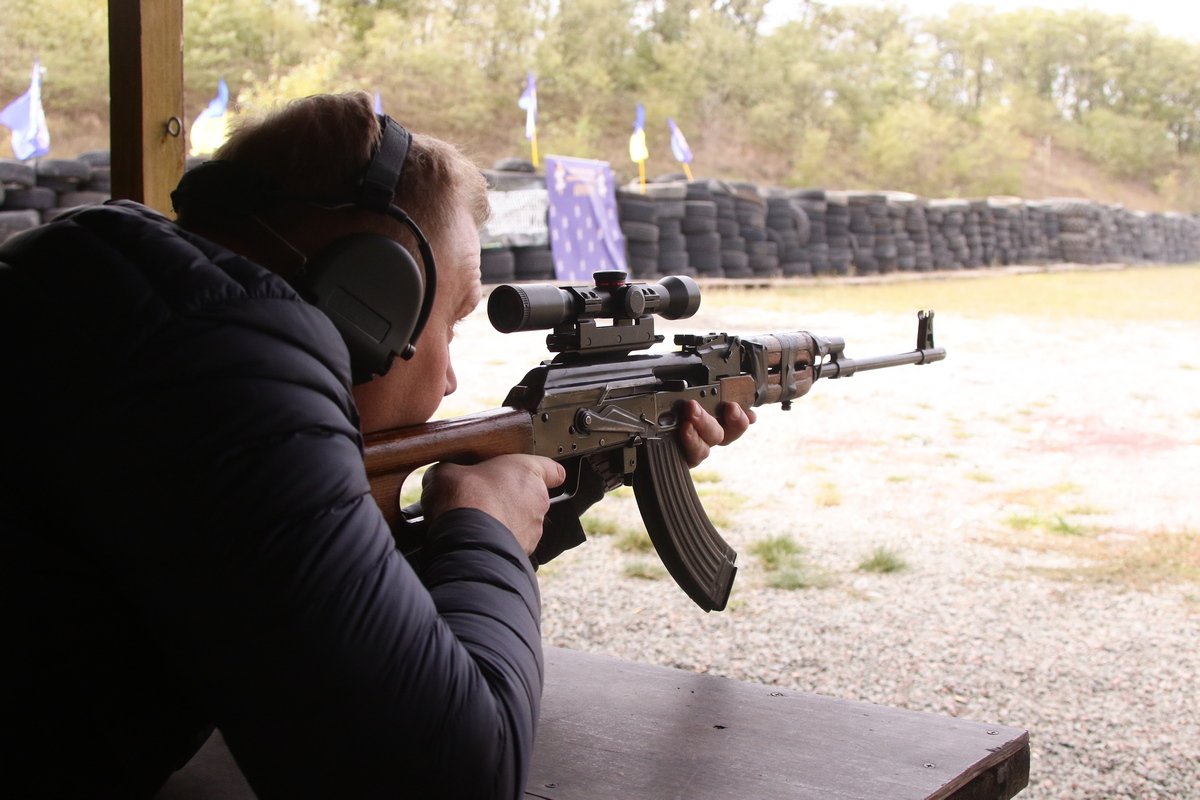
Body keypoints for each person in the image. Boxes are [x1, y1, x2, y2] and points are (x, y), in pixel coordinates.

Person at [0, 91, 753, 799]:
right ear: (369, 297)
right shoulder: (232, 361)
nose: (452, 382)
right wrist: (484, 531)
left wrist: (586, 471)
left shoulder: (119, 317)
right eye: (449, 323)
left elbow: (325, 617)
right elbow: (450, 777)